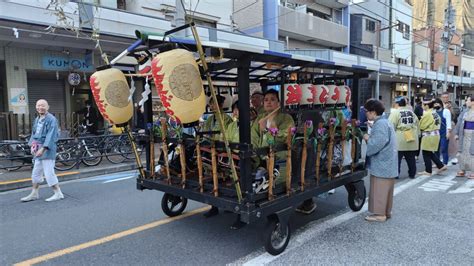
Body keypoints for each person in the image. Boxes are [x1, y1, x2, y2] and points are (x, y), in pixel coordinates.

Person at [21, 99, 64, 202]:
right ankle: (34, 193)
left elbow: (51, 135)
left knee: (49, 173)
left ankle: (58, 193)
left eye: (43, 106)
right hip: (38, 149)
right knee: (36, 173)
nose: (40, 107)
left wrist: (43, 148)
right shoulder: (37, 119)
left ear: (48, 107)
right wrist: (32, 145)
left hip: (47, 150)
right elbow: (34, 134)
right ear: (36, 107)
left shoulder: (51, 119)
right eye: (38, 105)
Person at [363, 99, 398, 222]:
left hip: (382, 162)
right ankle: (386, 212)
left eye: (367, 111)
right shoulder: (384, 121)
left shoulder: (380, 124)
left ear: (373, 112)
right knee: (386, 189)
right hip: (389, 161)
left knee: (379, 188)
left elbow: (377, 143)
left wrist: (367, 138)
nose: (366, 113)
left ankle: (379, 214)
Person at [388, 96, 419, 179]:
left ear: (397, 104)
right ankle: (412, 174)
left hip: (400, 137)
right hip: (411, 135)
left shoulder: (395, 113)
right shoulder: (412, 113)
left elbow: (391, 126)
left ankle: (396, 174)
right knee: (411, 158)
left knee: (397, 158)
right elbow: (417, 124)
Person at [418, 96, 447, 176]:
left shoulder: (427, 114)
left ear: (426, 105)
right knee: (429, 152)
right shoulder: (435, 113)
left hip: (428, 135)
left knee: (426, 153)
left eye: (423, 104)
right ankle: (440, 165)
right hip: (435, 134)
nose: (422, 106)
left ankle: (428, 170)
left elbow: (422, 126)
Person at [454, 95, 474, 178]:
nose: (466, 102)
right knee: (462, 152)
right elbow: (459, 122)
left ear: (473, 102)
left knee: (472, 153)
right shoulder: (465, 111)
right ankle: (462, 169)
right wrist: (457, 133)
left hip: (472, 134)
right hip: (464, 134)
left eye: (468, 100)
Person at [433, 98, 450, 165]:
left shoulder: (446, 111)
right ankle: (437, 163)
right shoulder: (433, 112)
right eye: (434, 104)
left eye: (437, 104)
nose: (435, 105)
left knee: (444, 148)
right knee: (436, 149)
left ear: (440, 104)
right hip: (436, 133)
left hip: (444, 133)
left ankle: (445, 163)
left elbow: (448, 122)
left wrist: (448, 132)